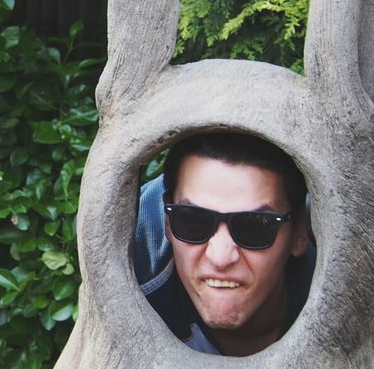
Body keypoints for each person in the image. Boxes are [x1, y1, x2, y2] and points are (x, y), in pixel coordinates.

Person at [133, 133, 315, 357]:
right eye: (193, 221)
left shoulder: (336, 289)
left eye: (254, 226)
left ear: (299, 232)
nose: (220, 258)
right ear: (167, 221)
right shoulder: (135, 260)